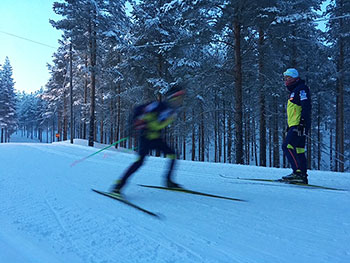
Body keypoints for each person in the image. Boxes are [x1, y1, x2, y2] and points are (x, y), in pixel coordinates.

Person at [110, 86, 185, 195]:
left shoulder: (173, 112)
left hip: (156, 138)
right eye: (179, 98)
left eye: (181, 98)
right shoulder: (159, 106)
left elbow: (159, 124)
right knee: (139, 162)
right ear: (172, 98)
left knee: (172, 155)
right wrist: (135, 123)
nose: (180, 101)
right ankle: (118, 186)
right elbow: (138, 110)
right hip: (146, 137)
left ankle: (169, 181)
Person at [281, 68, 311, 184]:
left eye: (288, 78)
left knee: (287, 146)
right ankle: (302, 175)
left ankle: (297, 172)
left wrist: (302, 122)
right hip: (295, 124)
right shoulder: (294, 91)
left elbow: (306, 106)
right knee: (299, 149)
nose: (286, 80)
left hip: (299, 125)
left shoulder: (301, 89)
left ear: (294, 78)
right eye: (285, 78)